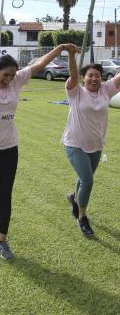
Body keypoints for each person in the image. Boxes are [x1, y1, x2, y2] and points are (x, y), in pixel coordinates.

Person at [0, 26, 78, 259]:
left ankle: (2, 241)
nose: (8, 79)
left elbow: (38, 65)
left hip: (9, 148)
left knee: (5, 194)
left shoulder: (17, 81)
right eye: (4, 75)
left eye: (12, 75)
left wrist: (59, 48)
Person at [62, 56, 120, 237]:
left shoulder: (106, 90)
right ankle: (82, 217)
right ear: (83, 78)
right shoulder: (75, 91)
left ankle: (74, 198)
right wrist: (71, 55)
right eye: (90, 76)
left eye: (97, 76)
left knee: (83, 178)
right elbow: (72, 73)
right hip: (74, 144)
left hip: (96, 145)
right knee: (87, 180)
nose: (94, 79)